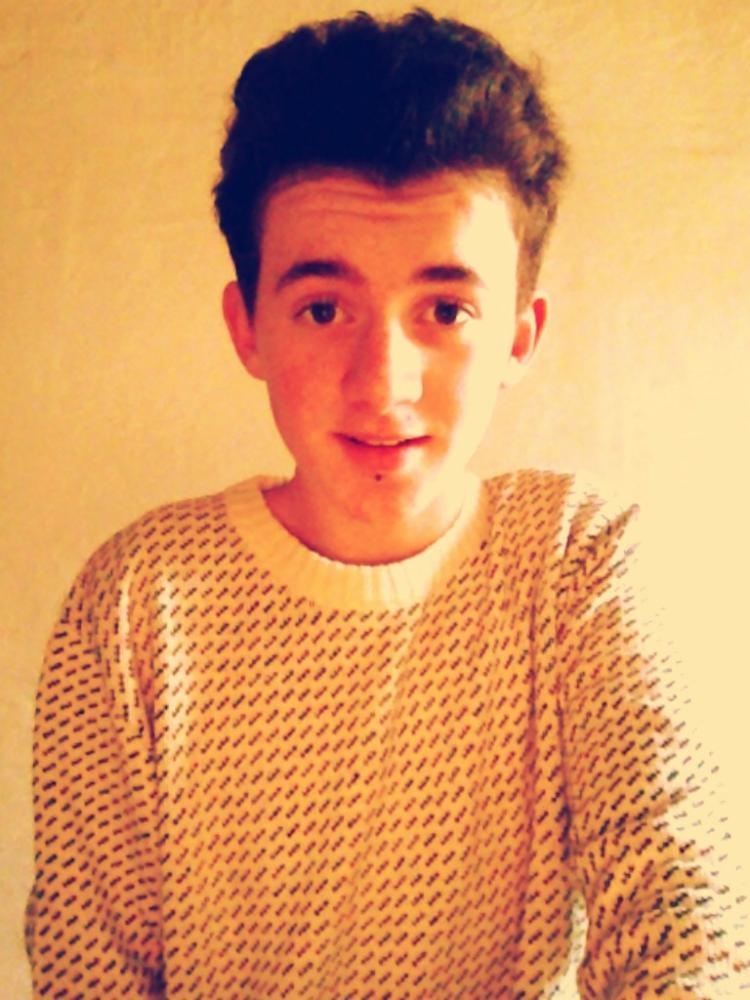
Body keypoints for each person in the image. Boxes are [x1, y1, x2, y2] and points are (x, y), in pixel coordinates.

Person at [25, 9, 748, 998]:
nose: (384, 383)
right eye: (324, 309)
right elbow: (88, 969)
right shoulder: (134, 601)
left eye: (445, 310)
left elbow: (683, 907)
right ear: (249, 327)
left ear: (520, 336)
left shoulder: (579, 563)